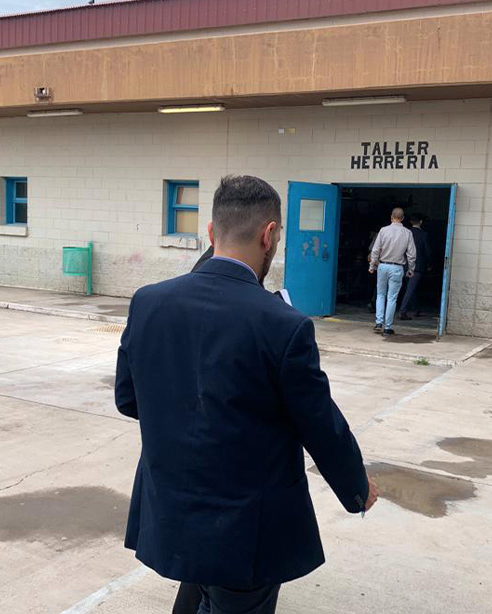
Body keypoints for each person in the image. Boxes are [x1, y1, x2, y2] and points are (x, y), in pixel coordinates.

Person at [116, 175, 378, 614]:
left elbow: (128, 399)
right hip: (246, 527)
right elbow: (319, 424)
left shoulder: (149, 302)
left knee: (200, 592)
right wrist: (356, 488)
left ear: (211, 232)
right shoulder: (284, 324)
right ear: (269, 235)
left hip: (173, 506)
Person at [369, 207, 416, 337]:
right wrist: (411, 269)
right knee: (392, 298)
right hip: (397, 267)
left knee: (380, 295)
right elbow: (411, 254)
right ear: (403, 218)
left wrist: (372, 265)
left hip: (383, 266)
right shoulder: (407, 233)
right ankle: (388, 327)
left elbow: (375, 250)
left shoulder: (383, 230)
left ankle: (378, 322)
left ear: (391, 217)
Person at [398, 212, 432, 320]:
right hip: (417, 266)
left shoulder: (405, 233)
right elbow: (428, 251)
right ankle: (402, 311)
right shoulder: (423, 235)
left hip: (404, 264)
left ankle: (416, 308)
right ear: (421, 222)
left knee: (410, 288)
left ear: (411, 221)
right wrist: (430, 263)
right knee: (410, 289)